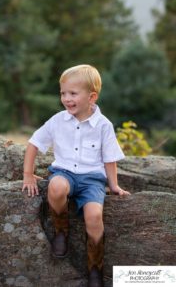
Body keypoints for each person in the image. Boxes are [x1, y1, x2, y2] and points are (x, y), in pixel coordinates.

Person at [22, 64, 130, 287]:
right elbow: (34, 143)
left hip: (92, 180)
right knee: (56, 187)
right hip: (64, 173)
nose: (66, 98)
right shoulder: (57, 120)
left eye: (73, 93)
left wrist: (115, 185)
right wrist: (28, 174)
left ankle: (95, 269)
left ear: (92, 97)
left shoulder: (103, 126)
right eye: (63, 93)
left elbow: (109, 158)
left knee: (93, 217)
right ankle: (61, 231)